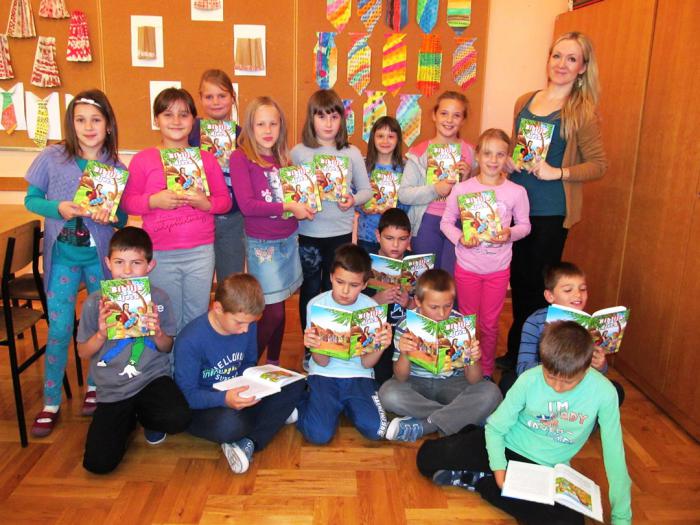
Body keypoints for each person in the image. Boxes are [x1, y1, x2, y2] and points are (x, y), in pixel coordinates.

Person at [417, 321, 632, 525]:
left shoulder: (604, 393)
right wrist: (499, 469)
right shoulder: (529, 378)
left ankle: (480, 482)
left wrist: (622, 518)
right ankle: (480, 456)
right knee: (426, 458)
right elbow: (496, 429)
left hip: (548, 468)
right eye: (550, 376)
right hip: (507, 444)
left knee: (569, 522)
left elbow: (615, 456)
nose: (557, 387)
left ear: (586, 369)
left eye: (568, 382)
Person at [24, 90, 128, 436]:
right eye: (80, 120)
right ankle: (51, 401)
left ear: (108, 125)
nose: (88, 126)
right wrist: (58, 208)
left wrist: (111, 215)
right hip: (62, 259)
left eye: (96, 119)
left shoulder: (116, 168)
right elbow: (31, 199)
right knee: (58, 329)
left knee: (103, 323)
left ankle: (97, 386)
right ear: (71, 124)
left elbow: (123, 217)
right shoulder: (53, 157)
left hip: (100, 260)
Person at [502, 32, 607, 371]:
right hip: (515, 207)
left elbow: (598, 165)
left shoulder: (582, 113)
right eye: (557, 56)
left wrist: (558, 172)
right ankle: (517, 351)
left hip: (549, 212)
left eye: (571, 59)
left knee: (539, 290)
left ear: (582, 68)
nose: (562, 64)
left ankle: (535, 360)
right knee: (518, 282)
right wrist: (508, 161)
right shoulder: (525, 101)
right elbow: (516, 147)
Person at [78, 227, 191, 474]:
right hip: (113, 389)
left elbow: (167, 346)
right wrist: (101, 334)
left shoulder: (159, 299)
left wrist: (158, 332)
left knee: (178, 418)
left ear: (150, 266)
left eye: (136, 263)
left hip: (151, 378)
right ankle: (128, 419)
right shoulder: (95, 302)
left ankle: (144, 416)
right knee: (98, 464)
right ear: (108, 263)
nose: (127, 271)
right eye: (119, 262)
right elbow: (83, 352)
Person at [121, 87, 232, 333]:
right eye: (168, 114)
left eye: (184, 114)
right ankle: (170, 360)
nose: (176, 121)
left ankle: (190, 358)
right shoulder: (143, 159)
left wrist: (205, 203)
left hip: (200, 252)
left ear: (193, 120)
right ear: (156, 120)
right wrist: (154, 201)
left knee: (196, 318)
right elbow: (127, 202)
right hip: (160, 253)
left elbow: (225, 201)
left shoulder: (206, 159)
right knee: (167, 319)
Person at [174, 274, 304, 474]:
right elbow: (187, 396)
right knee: (230, 426)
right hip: (207, 406)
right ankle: (267, 422)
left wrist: (258, 381)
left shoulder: (248, 324)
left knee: (295, 381)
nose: (245, 330)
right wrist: (224, 399)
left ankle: (248, 440)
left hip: (239, 392)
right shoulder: (190, 340)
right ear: (218, 308)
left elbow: (248, 363)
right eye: (239, 323)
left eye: (250, 323)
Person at [440, 129, 531, 379]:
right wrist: (461, 238)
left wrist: (509, 233)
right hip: (467, 268)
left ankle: (487, 370)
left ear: (507, 157)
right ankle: (465, 367)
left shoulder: (516, 192)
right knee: (467, 322)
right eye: (488, 153)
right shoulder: (462, 188)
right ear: (477, 155)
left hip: (498, 270)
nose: (493, 160)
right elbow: (446, 222)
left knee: (489, 325)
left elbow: (525, 226)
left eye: (500, 154)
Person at [230, 96, 314, 365]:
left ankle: (274, 365)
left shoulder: (283, 159)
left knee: (282, 304)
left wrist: (307, 204)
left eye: (273, 124)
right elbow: (247, 205)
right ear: (249, 127)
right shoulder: (240, 157)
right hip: (263, 244)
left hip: (289, 239)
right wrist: (289, 206)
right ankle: (245, 364)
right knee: (274, 311)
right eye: (260, 124)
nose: (267, 130)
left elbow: (295, 198)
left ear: (281, 126)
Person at [378, 269, 502, 442]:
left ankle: (426, 425)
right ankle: (462, 417)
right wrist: (405, 354)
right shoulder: (405, 325)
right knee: (388, 394)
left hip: (453, 383)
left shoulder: (461, 324)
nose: (442, 314)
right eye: (434, 307)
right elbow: (400, 377)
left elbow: (475, 380)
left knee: (491, 392)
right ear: (418, 301)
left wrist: (473, 360)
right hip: (415, 383)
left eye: (448, 306)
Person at [290, 89, 372, 334]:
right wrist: (300, 198)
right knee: (309, 289)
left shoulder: (351, 152)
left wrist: (352, 199)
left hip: (340, 233)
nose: (328, 123)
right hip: (309, 232)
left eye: (334, 117)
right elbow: (289, 192)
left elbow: (366, 191)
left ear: (341, 120)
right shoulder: (298, 152)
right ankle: (310, 343)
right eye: (321, 116)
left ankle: (334, 339)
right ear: (311, 118)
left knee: (334, 289)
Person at [297, 244, 393, 444]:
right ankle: (302, 402)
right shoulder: (316, 305)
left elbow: (366, 363)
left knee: (377, 430)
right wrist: (314, 346)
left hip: (359, 376)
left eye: (354, 285)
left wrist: (381, 346)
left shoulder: (371, 308)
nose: (345, 291)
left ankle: (343, 407)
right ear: (331, 277)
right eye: (340, 282)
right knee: (318, 435)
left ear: (364, 284)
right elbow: (322, 362)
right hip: (324, 375)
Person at [499, 262, 625, 404]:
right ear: (549, 296)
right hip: (543, 384)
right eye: (568, 290)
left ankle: (574, 413)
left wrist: (600, 366)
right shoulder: (535, 321)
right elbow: (523, 367)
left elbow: (596, 375)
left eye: (583, 289)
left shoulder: (590, 326)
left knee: (615, 391)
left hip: (576, 386)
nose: (578, 294)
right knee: (508, 382)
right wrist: (557, 371)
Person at [398, 91, 475, 275]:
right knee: (425, 279)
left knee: (452, 279)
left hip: (458, 223)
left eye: (456, 115)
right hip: (427, 222)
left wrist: (467, 178)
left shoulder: (472, 153)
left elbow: (480, 196)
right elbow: (404, 194)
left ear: (463, 120)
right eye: (444, 113)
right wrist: (435, 189)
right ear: (434, 115)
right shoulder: (419, 152)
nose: (449, 120)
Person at [188, 69, 245, 282]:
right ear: (200, 98)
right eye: (209, 96)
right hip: (198, 216)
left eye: (222, 95)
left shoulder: (242, 136)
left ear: (232, 97)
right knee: (198, 280)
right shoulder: (190, 131)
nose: (215, 102)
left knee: (230, 281)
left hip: (233, 218)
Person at [363, 208, 414, 385]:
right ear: (378, 236)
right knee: (379, 378)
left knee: (409, 376)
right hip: (378, 335)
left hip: (405, 336)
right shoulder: (366, 263)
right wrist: (376, 300)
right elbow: (352, 308)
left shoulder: (415, 264)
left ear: (409, 238)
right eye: (389, 238)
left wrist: (409, 302)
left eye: (402, 239)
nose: (395, 245)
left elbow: (428, 309)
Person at [356, 116, 406, 255]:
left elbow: (408, 201)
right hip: (367, 235)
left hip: (394, 239)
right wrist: (362, 206)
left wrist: (395, 209)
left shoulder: (404, 169)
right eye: (380, 136)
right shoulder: (363, 167)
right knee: (367, 269)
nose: (385, 141)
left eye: (391, 136)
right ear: (373, 138)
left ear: (398, 140)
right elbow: (353, 196)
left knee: (390, 269)